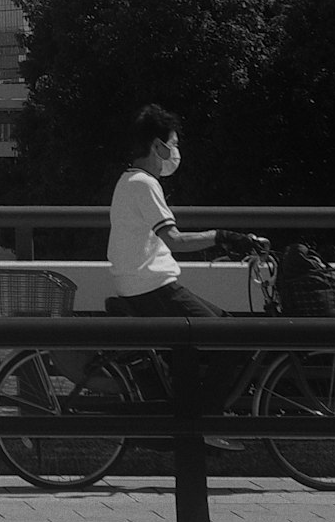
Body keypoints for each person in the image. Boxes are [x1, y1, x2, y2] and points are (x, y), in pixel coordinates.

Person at [102, 103, 262, 427]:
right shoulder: (145, 184)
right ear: (158, 146)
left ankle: (192, 409)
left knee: (225, 326)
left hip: (145, 286)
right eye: (173, 145)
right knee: (230, 341)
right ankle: (202, 422)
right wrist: (224, 236)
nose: (175, 153)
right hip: (153, 289)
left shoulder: (127, 180)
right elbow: (174, 239)